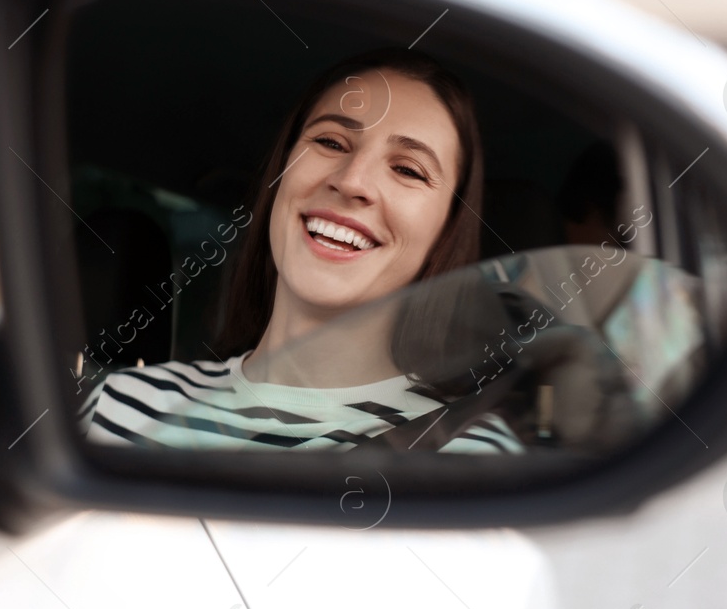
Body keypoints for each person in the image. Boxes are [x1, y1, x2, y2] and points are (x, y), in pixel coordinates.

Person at [80, 48, 521, 453]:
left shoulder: (467, 455)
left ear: (447, 230)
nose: (351, 181)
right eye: (330, 142)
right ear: (281, 173)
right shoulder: (113, 405)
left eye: (408, 169)